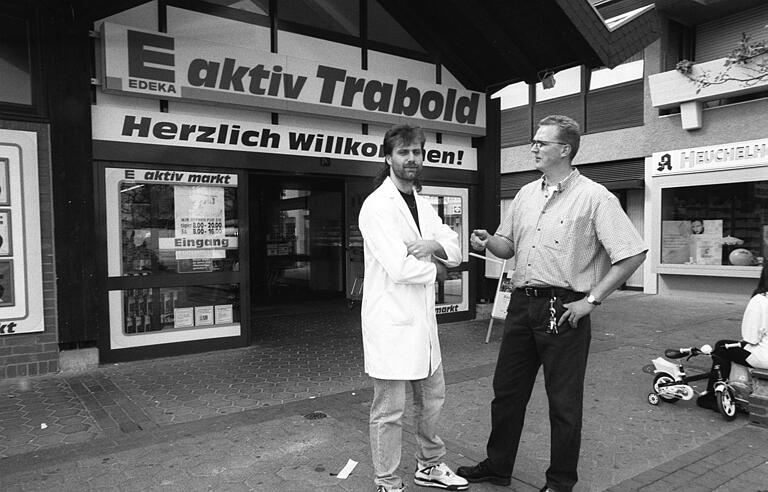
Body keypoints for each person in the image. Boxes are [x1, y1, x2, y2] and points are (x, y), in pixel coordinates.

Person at [457, 115, 647, 492]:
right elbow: (507, 246)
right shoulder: (526, 194)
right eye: (535, 142)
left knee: (563, 402)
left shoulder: (595, 197)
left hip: (564, 309)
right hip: (521, 305)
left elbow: (632, 254)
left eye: (542, 143)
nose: (534, 148)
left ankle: (560, 482)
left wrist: (590, 301)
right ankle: (498, 467)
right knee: (507, 392)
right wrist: (487, 242)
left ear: (565, 149)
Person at [358, 124, 468, 492]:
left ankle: (429, 465)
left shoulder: (421, 202)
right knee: (389, 410)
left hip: (423, 325)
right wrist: (437, 267)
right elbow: (400, 267)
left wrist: (429, 244)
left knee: (432, 400)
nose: (412, 159)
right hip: (391, 322)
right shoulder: (376, 206)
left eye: (417, 152)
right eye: (404, 152)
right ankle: (387, 480)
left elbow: (453, 245)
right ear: (388, 157)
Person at [697, 260, 768, 410]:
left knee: (722, 347)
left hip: (764, 357)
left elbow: (751, 338)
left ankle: (711, 396)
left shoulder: (760, 300)